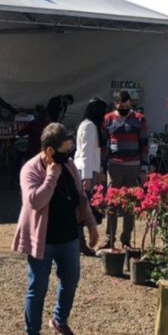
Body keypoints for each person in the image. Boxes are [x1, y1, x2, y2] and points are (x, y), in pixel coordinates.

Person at [13, 123, 99, 335]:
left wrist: (90, 224)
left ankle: (59, 320)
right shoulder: (30, 169)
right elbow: (34, 202)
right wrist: (51, 175)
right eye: (64, 150)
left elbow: (81, 197)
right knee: (37, 288)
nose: (69, 155)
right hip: (43, 240)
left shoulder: (69, 165)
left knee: (71, 280)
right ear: (50, 151)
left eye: (70, 150)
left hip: (68, 236)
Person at [102, 91, 149, 250]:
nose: (124, 109)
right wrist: (102, 168)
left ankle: (126, 239)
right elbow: (104, 144)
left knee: (129, 204)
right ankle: (110, 238)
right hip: (113, 165)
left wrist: (143, 169)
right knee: (112, 203)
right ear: (115, 104)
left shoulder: (139, 119)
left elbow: (144, 145)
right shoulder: (108, 119)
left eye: (127, 106)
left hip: (133, 166)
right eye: (121, 107)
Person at [74, 98, 108, 257]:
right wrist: (87, 177)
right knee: (83, 208)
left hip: (88, 169)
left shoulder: (87, 124)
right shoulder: (89, 126)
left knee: (84, 207)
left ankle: (81, 241)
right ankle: (80, 241)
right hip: (85, 170)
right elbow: (87, 153)